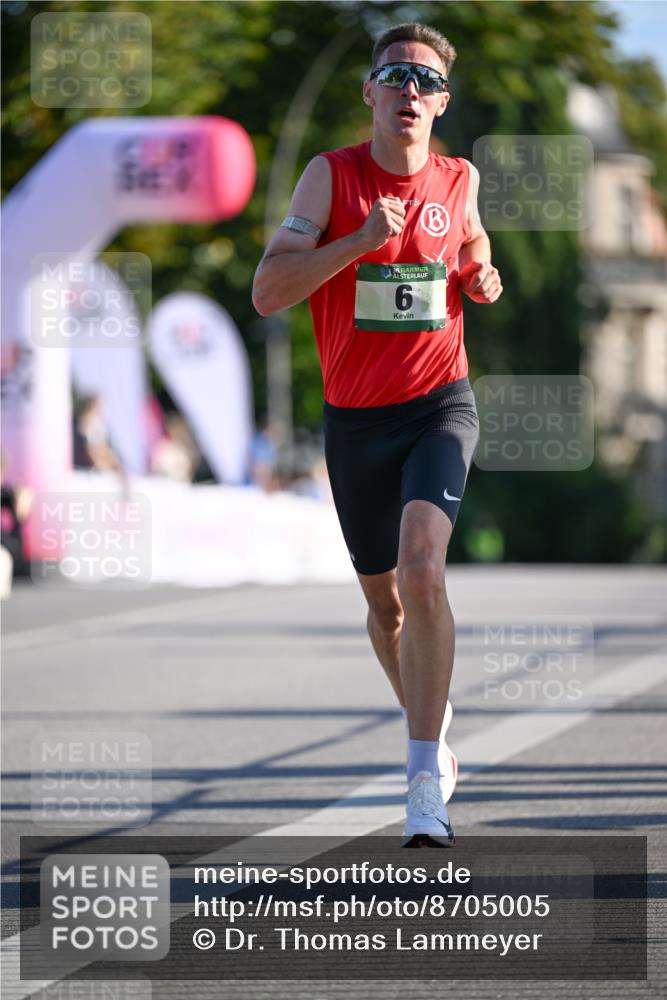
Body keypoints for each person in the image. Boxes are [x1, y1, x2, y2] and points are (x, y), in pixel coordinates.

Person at [253, 22, 502, 846]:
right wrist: (358, 242)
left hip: (438, 405)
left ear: (441, 102)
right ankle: (435, 724)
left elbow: (467, 235)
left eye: (426, 82)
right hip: (356, 422)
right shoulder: (330, 179)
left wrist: (478, 269)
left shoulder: (458, 178)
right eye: (395, 76)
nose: (410, 91)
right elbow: (266, 292)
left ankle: (423, 777)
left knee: (424, 569)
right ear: (369, 92)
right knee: (385, 607)